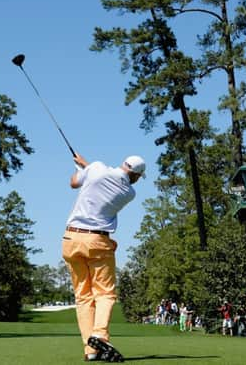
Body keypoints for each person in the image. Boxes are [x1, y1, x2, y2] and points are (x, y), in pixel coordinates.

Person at [62, 154, 145, 362]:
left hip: (70, 238)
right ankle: (99, 335)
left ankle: (90, 351)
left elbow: (74, 183)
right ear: (135, 175)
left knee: (83, 297)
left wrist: (82, 168)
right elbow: (105, 179)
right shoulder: (129, 192)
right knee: (105, 294)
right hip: (98, 241)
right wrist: (85, 166)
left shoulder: (97, 168)